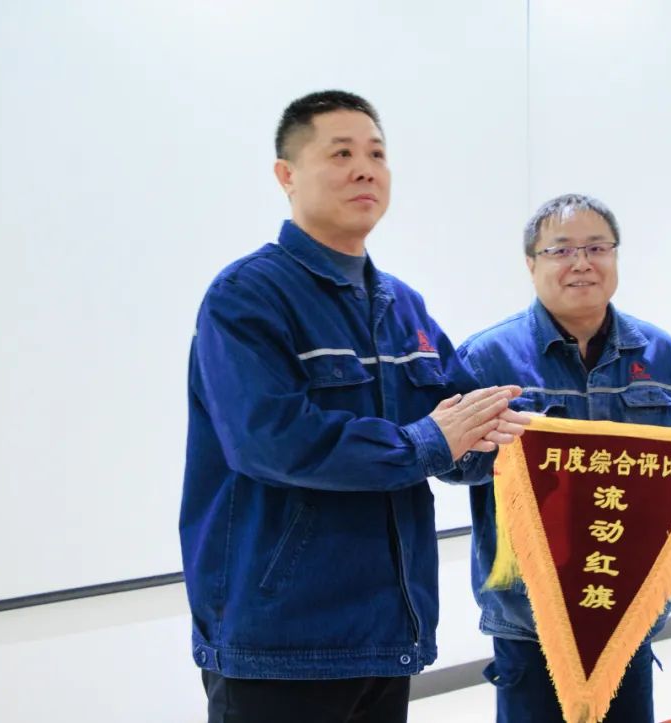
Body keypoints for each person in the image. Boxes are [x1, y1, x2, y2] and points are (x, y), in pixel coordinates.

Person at [179, 90, 526, 723]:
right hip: (280, 641)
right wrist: (429, 442)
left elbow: (456, 429)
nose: (365, 169)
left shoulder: (402, 305)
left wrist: (504, 436)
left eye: (377, 154)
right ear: (286, 175)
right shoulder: (247, 296)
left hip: (389, 632)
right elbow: (272, 440)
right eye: (341, 154)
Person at [453, 193, 671, 722]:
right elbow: (450, 463)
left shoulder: (658, 353)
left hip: (627, 602)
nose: (582, 263)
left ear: (615, 256)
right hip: (530, 614)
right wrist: (502, 445)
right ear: (531, 263)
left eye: (597, 247)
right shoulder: (488, 357)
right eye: (561, 250)